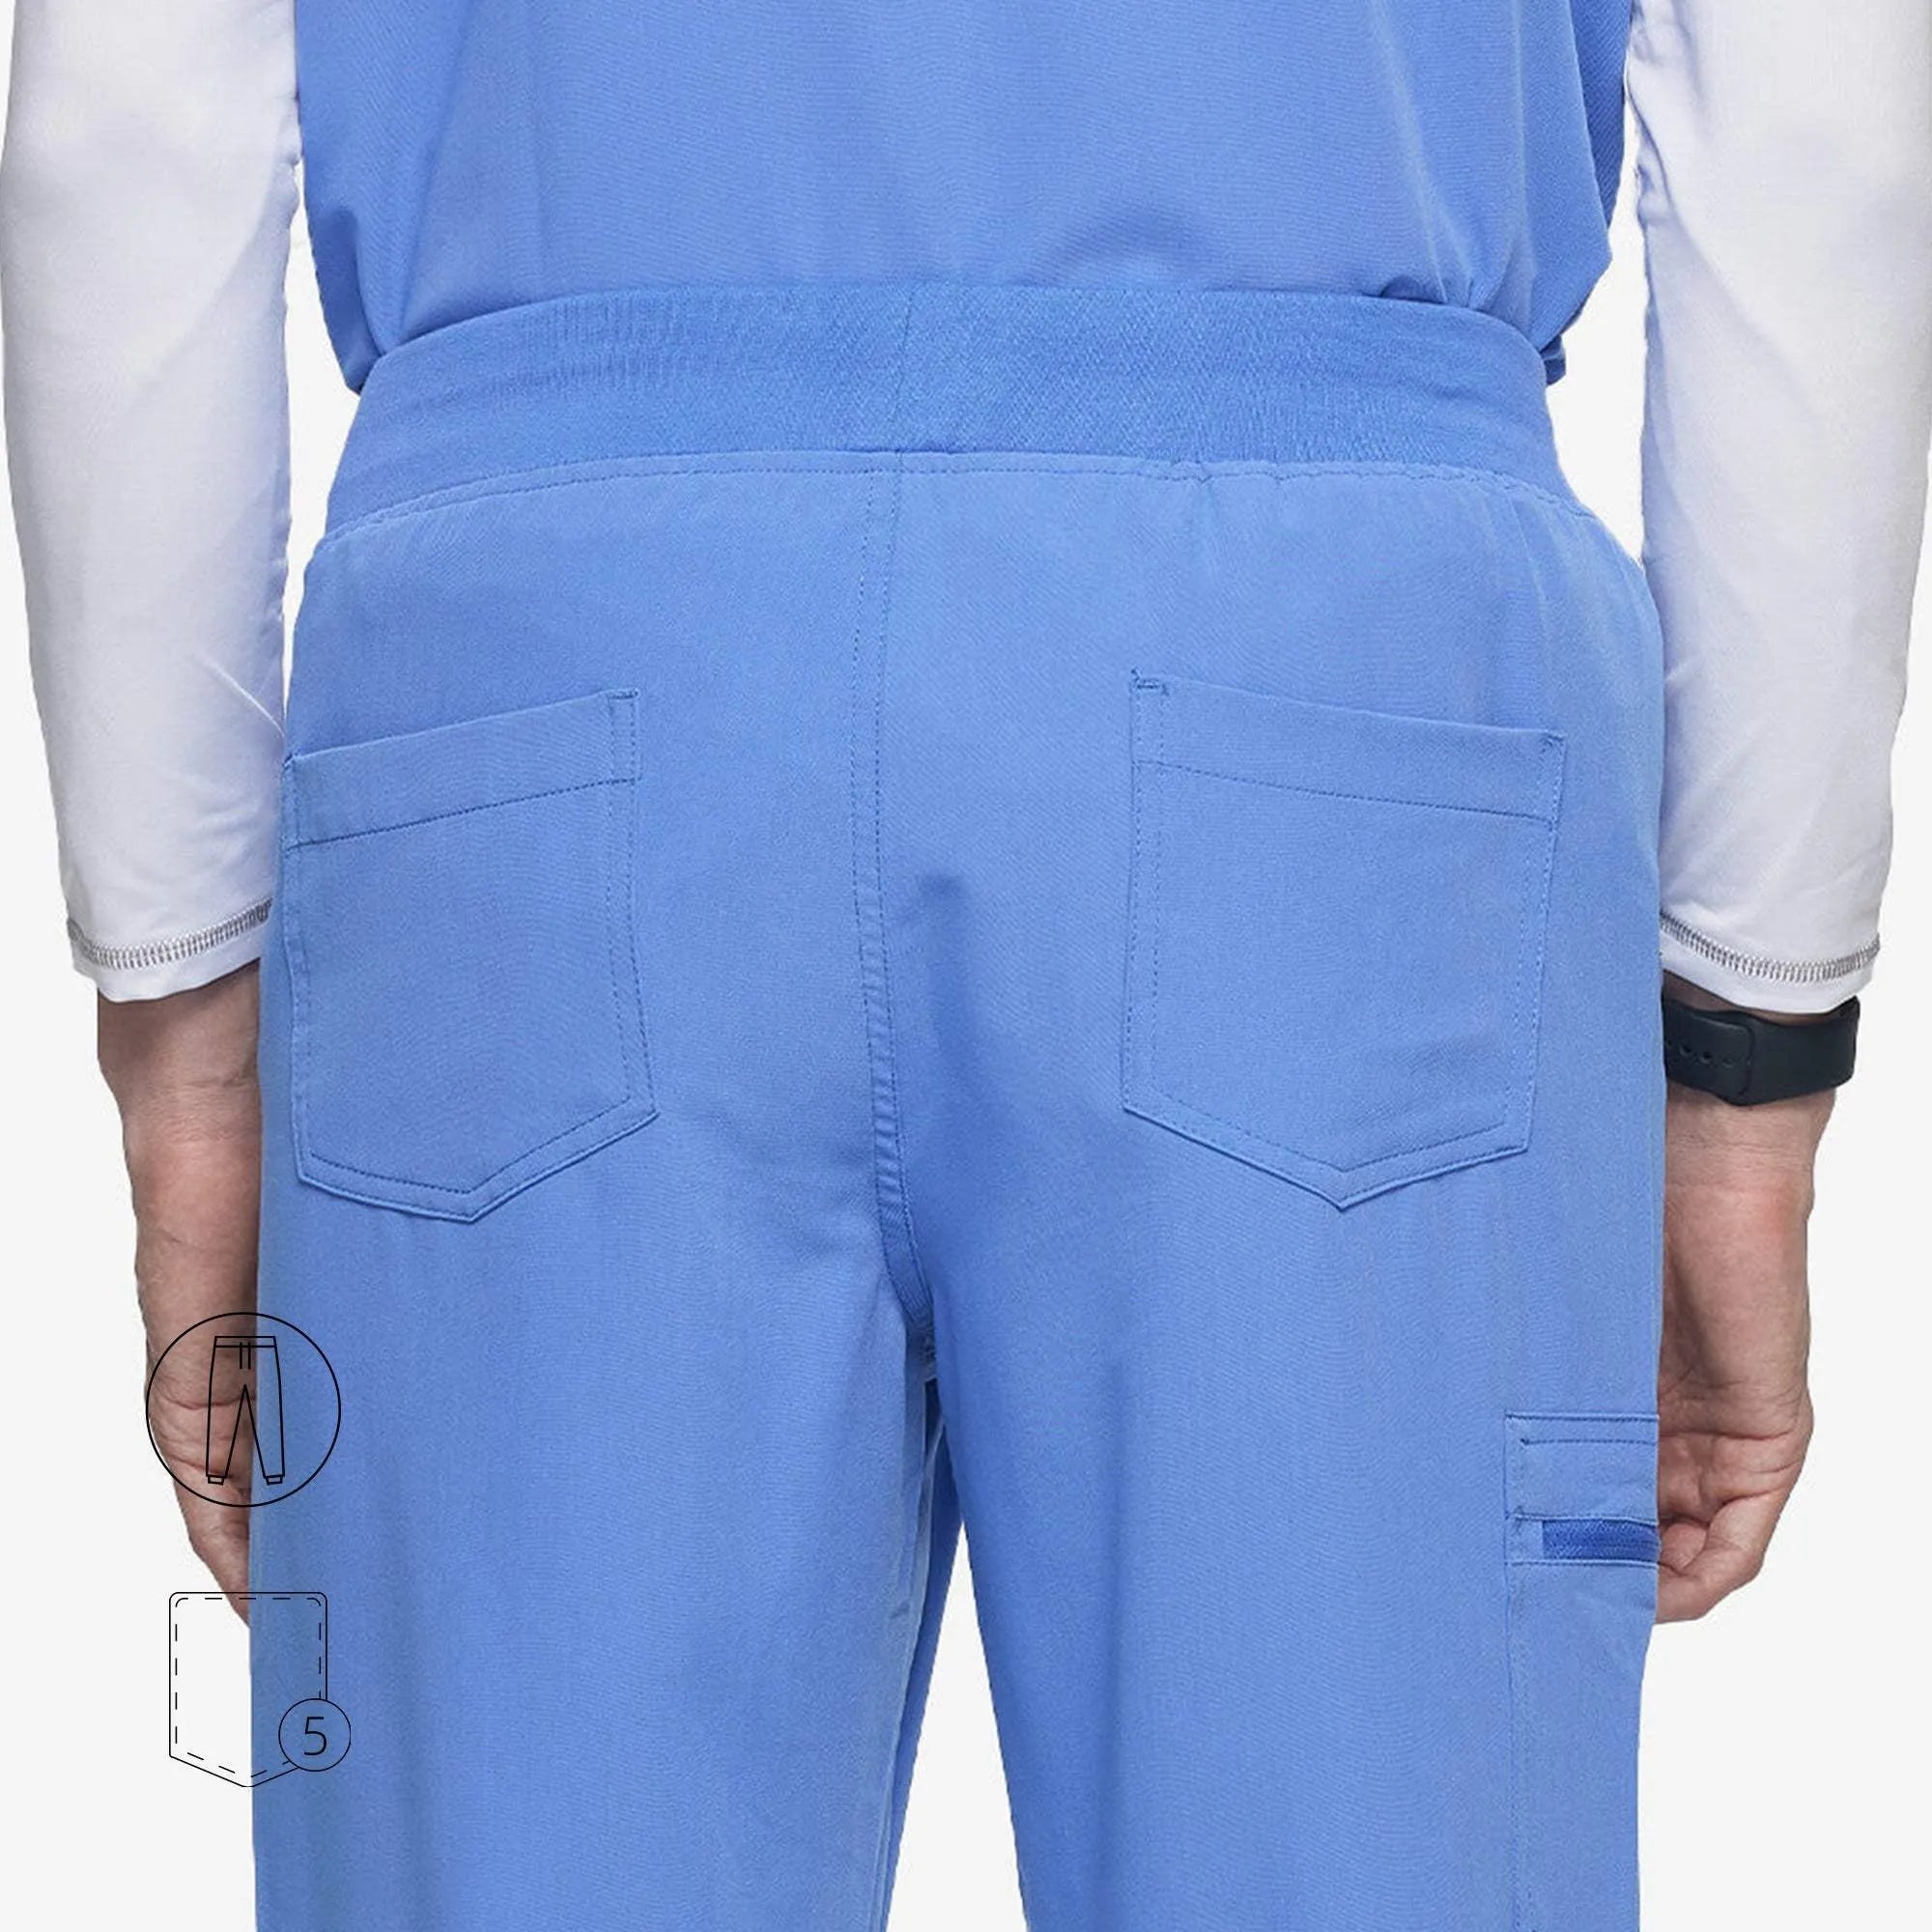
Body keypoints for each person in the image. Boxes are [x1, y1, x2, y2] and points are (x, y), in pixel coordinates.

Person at [1, 3, 1926, 1927]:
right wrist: (1746, 1052)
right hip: (1341, 726)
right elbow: (1809, 121)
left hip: (536, 723)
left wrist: (187, 1031)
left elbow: (129, 114)